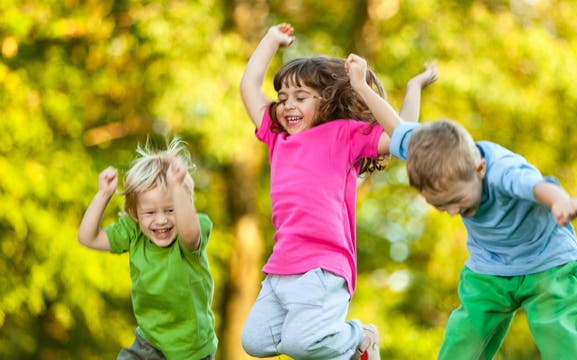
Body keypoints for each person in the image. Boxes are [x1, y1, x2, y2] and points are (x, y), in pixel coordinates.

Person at [346, 54, 577, 359]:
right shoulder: (432, 155)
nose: (453, 212)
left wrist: (560, 201)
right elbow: (397, 126)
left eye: (458, 202)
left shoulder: (502, 171)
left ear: (480, 170)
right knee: (465, 334)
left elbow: (538, 186)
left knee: (557, 330)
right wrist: (362, 85)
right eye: (440, 206)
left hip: (547, 262)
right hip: (490, 267)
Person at [239, 23, 393, 360]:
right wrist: (269, 40)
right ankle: (346, 349)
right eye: (282, 99)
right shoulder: (276, 137)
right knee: (254, 342)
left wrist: (362, 87)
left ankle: (360, 337)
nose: (288, 105)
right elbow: (249, 86)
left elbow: (399, 137)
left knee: (301, 344)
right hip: (281, 265)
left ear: (324, 102)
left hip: (323, 266)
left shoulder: (343, 135)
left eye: (300, 97)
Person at [77, 137, 217, 360]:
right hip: (149, 342)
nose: (161, 220)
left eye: (170, 210)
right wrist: (103, 195)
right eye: (150, 213)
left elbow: (190, 235)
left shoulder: (191, 230)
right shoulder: (133, 232)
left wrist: (176, 186)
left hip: (190, 348)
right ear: (135, 214)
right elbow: (87, 238)